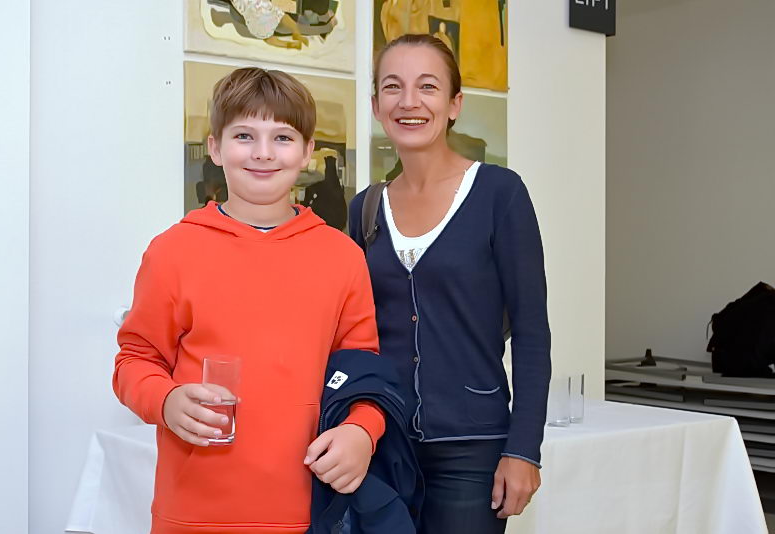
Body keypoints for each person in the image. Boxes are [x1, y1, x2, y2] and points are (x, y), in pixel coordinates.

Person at [113, 67, 386, 534]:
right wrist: (166, 399)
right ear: (215, 148)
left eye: (282, 138)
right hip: (193, 513)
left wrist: (363, 431)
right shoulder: (173, 251)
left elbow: (366, 374)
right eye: (244, 135)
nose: (263, 152)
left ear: (307, 152)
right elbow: (135, 360)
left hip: (307, 511)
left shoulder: (342, 257)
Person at [348, 34, 552, 534]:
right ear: (375, 106)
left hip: (473, 449)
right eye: (392, 87)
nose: (409, 101)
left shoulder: (499, 194)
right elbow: (351, 333)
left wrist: (524, 449)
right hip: (381, 443)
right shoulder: (364, 208)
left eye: (428, 86)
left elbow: (531, 331)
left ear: (454, 104)